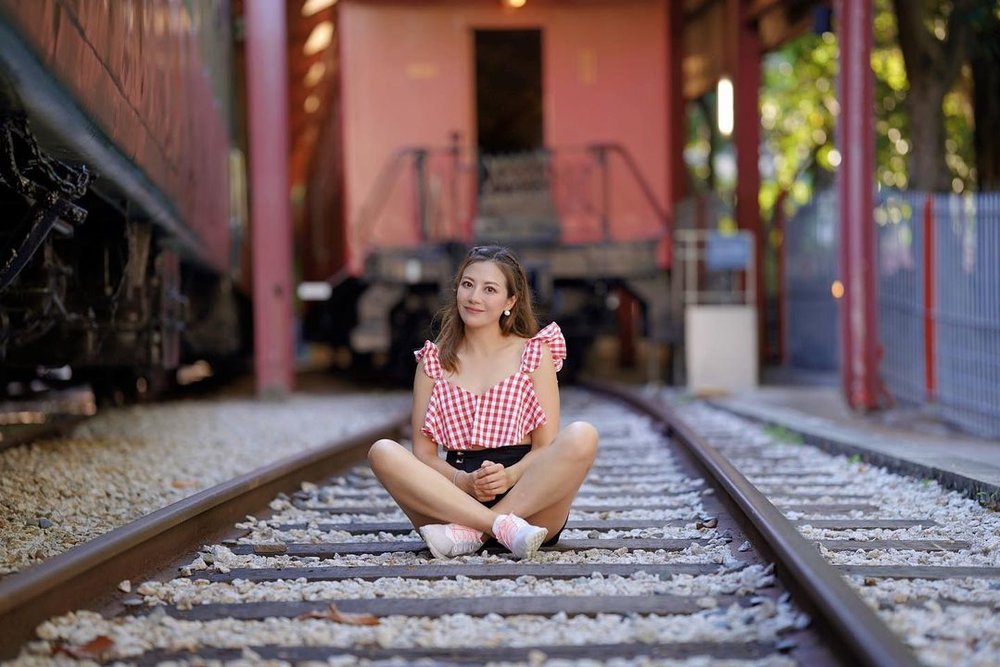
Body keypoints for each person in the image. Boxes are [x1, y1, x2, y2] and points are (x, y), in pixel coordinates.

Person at [368, 245, 599, 559]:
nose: (474, 297)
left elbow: (545, 448)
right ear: (457, 289)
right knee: (382, 451)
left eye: (490, 289)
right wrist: (463, 482)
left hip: (528, 501)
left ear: (510, 301)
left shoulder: (534, 352)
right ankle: (497, 527)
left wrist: (509, 476)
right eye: (468, 284)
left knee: (583, 435)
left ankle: (473, 534)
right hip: (453, 498)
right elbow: (423, 453)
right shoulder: (433, 360)